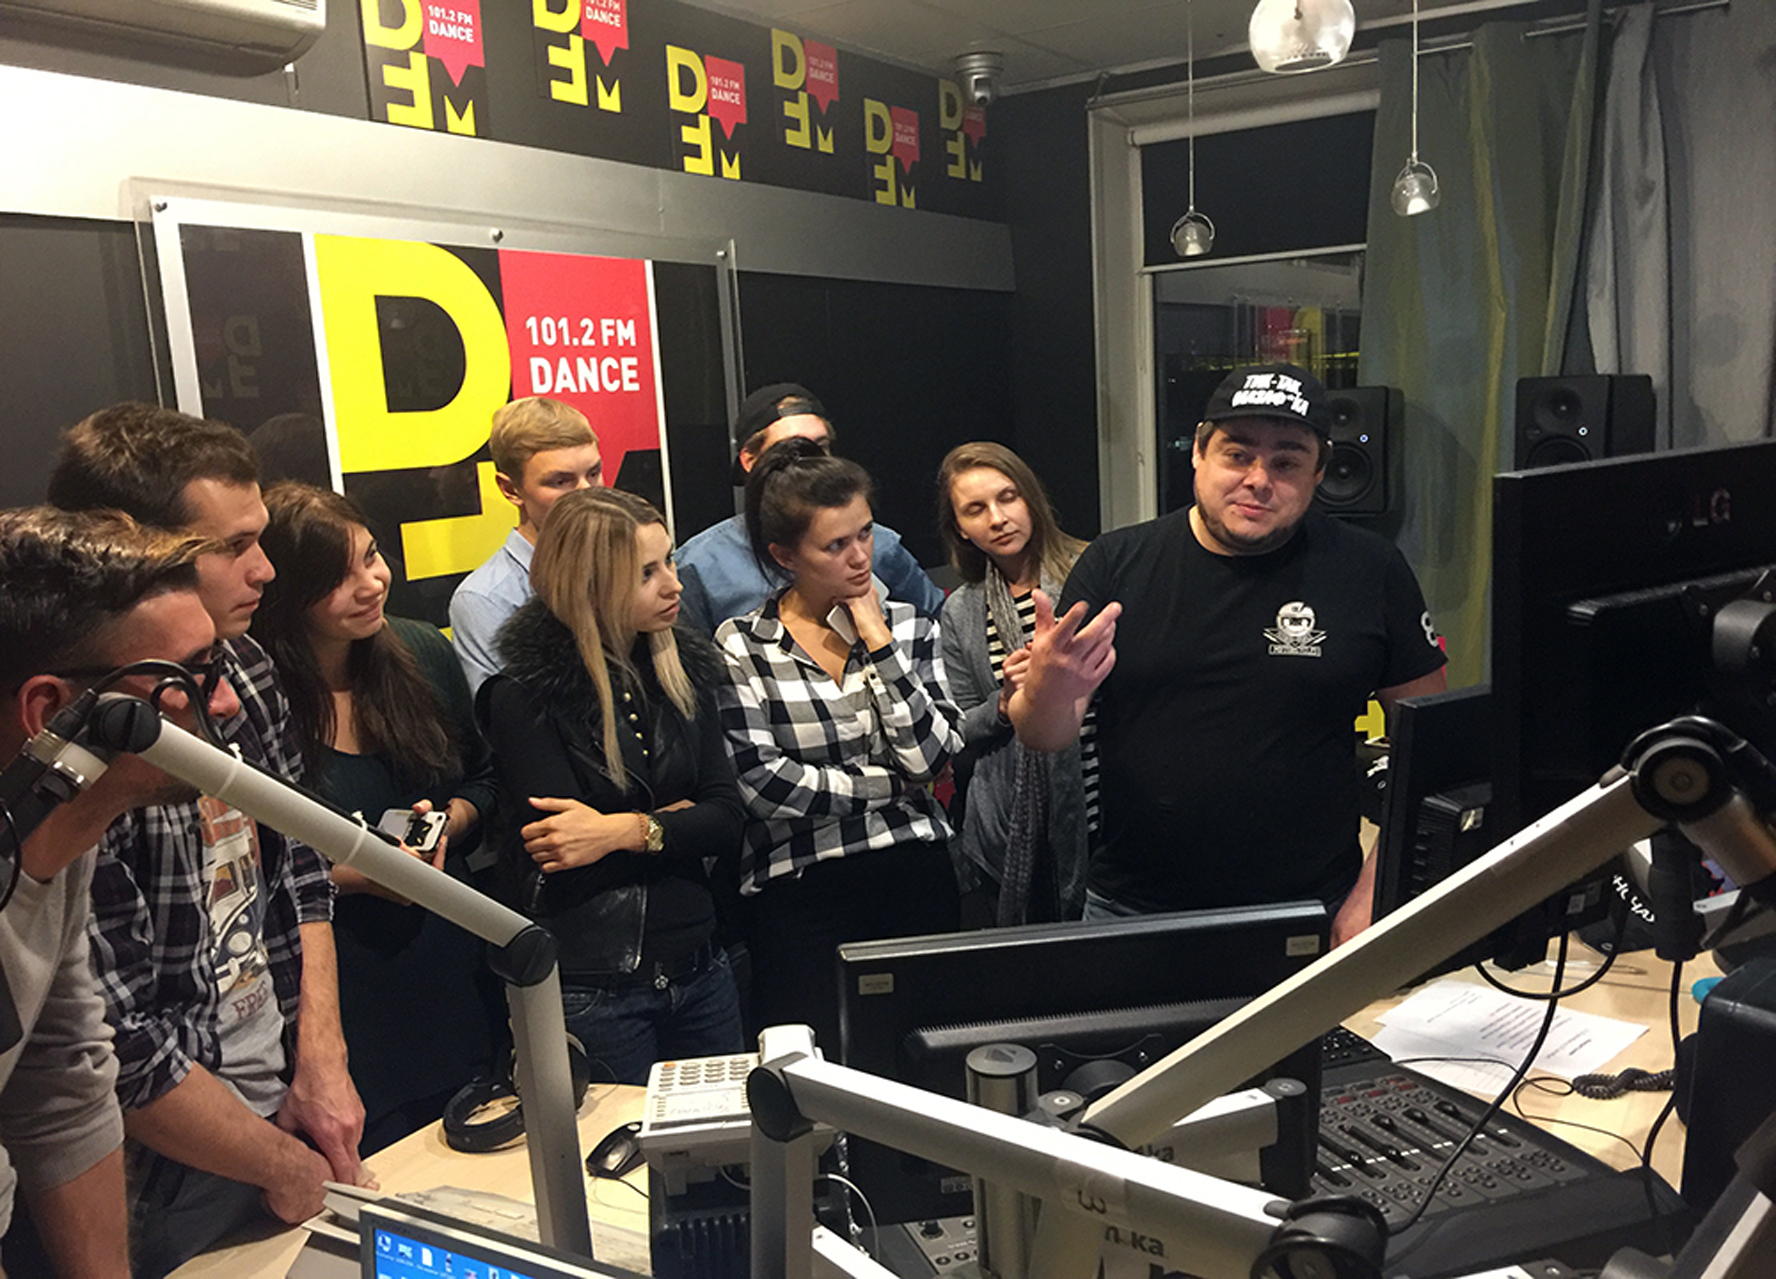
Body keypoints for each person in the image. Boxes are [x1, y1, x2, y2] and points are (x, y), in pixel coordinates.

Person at [47, 404, 368, 1276]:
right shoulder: (87, 730)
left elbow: (299, 863)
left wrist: (322, 1056)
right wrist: (280, 1165)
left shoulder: (247, 665)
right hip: (159, 1172)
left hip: (284, 1107)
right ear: (132, 549)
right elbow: (106, 1039)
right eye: (233, 546)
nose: (266, 569)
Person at [1011, 364, 1447, 946]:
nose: (1258, 480)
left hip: (1317, 910)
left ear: (1319, 471)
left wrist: (1376, 891)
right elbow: (1044, 735)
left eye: (1287, 462)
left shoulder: (1371, 570)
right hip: (1133, 909)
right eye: (1237, 454)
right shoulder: (1116, 564)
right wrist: (1045, 693)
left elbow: (1436, 749)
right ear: (1198, 452)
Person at [0, 508, 237, 1279]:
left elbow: (63, 1084)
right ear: (51, 714)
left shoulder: (59, 834)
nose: (224, 703)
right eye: (188, 676)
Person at [253, 483, 502, 1153]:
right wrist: (353, 872)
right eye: (339, 577)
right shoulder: (259, 698)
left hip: (450, 967)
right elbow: (251, 861)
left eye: (370, 556)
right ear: (288, 593)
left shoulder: (420, 650)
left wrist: (445, 822)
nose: (370, 583)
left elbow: (484, 779)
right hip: (339, 990)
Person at [479, 488, 745, 1084]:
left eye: (668, 561)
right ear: (590, 584)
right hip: (596, 983)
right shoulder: (524, 695)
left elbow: (727, 818)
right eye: (646, 573)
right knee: (620, 1148)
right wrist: (676, 821)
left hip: (701, 964)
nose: (674, 584)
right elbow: (564, 851)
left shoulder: (685, 670)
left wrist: (621, 829)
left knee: (727, 1140)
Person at [716, 439, 961, 1052]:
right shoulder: (743, 644)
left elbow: (933, 758)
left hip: (914, 867)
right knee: (817, 1065)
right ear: (785, 555)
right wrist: (892, 785)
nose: (860, 557)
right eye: (835, 545)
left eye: (866, 533)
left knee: (926, 1056)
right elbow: (764, 784)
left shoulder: (908, 625)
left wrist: (878, 639)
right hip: (802, 880)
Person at [936, 442, 1093, 925]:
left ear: (1031, 498)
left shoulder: (1091, 568)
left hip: (1095, 801)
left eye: (1008, 498)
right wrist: (1005, 702)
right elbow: (958, 726)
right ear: (960, 528)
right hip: (1007, 818)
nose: (998, 518)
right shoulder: (961, 609)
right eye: (975, 509)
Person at [677, 383, 945, 635]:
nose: (811, 462)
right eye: (793, 451)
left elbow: (942, 631)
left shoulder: (880, 547)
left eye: (821, 447)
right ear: (749, 459)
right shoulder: (702, 567)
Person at [449, 397, 604, 693]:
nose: (587, 493)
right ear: (510, 489)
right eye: (561, 482)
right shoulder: (486, 599)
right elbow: (511, 714)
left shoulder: (628, 561)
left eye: (593, 473)